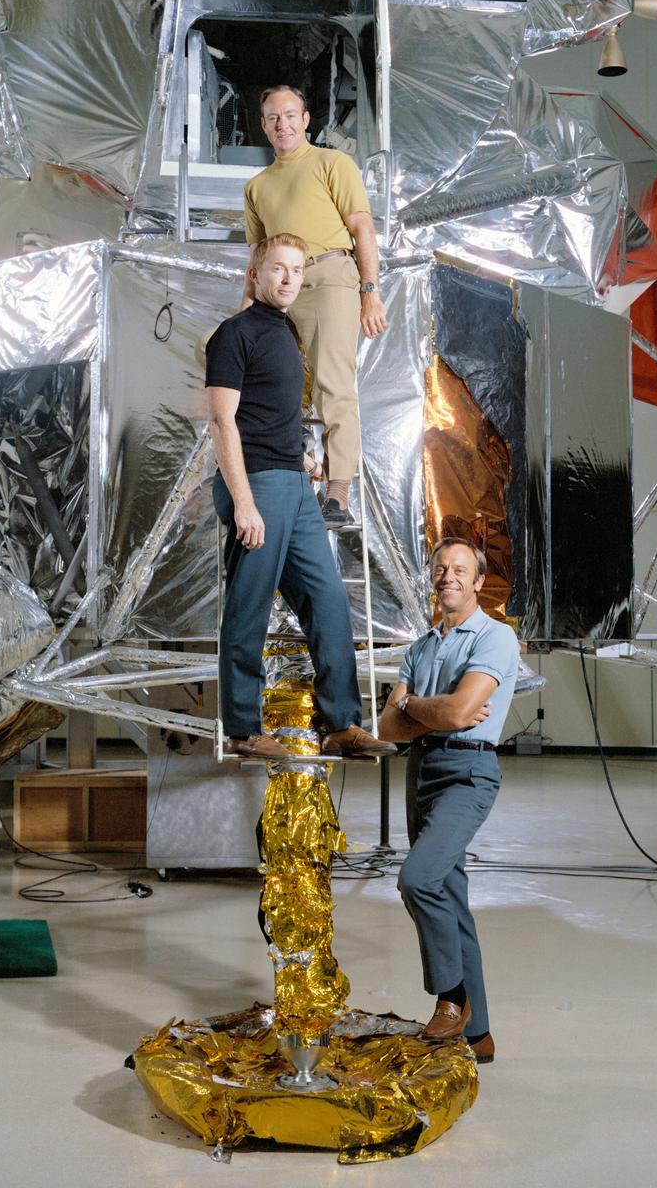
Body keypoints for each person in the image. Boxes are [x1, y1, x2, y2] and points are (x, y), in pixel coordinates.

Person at [206, 231, 395, 763]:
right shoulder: (233, 334)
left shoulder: (285, 331)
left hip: (293, 483)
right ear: (256, 274)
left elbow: (270, 415)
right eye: (277, 269)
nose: (288, 278)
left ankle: (341, 724)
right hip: (257, 486)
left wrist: (306, 461)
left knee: (329, 601)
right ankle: (243, 729)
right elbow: (223, 421)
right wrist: (243, 501)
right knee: (249, 609)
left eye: (295, 270)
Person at [378, 537, 520, 1062]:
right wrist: (422, 709)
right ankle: (478, 1036)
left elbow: (462, 715)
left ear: (478, 582)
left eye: (461, 570)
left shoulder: (496, 638)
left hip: (468, 770)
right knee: (450, 899)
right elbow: (391, 726)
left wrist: (415, 706)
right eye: (441, 569)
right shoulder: (421, 646)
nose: (449, 577)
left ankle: (451, 997)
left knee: (418, 878)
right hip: (422, 770)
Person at [240, 85, 388, 528]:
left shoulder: (331, 164)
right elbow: (256, 259)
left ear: (305, 120)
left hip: (327, 276)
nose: (281, 123)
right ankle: (300, 468)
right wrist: (245, 313)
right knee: (246, 370)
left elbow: (362, 228)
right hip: (278, 286)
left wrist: (369, 290)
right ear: (264, 126)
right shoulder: (256, 187)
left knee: (331, 381)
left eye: (289, 115)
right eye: (272, 117)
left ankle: (338, 491)